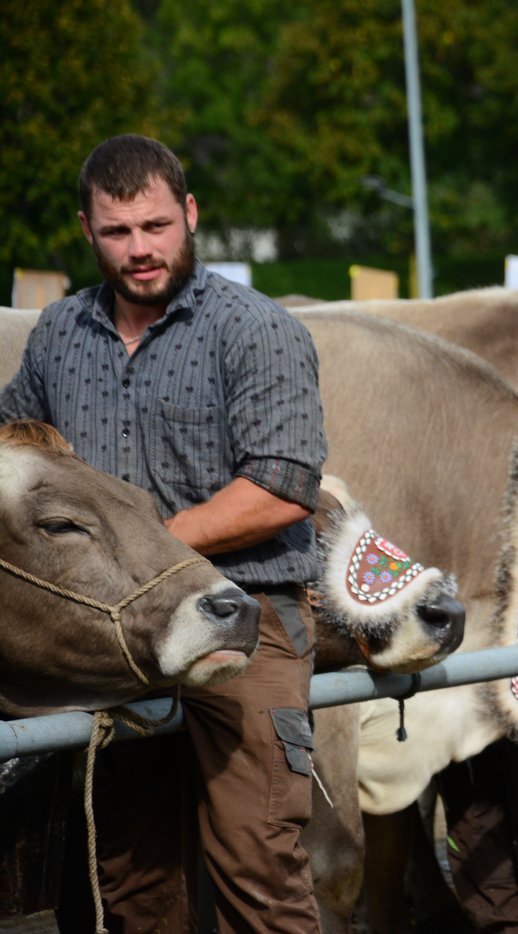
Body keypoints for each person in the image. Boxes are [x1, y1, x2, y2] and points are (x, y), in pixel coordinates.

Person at [0, 134, 327, 931]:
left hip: (246, 615)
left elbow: (283, 488)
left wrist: (145, 555)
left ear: (189, 214)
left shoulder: (257, 329)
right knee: (131, 880)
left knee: (258, 869)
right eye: (117, 232)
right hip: (111, 641)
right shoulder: (59, 335)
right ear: (87, 230)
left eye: (155, 226)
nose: (139, 250)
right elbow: (11, 445)